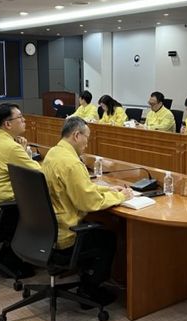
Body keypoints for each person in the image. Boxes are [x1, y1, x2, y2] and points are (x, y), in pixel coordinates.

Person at [42, 117, 133, 304]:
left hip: (47, 233)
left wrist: (108, 190)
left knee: (97, 229)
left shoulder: (53, 153)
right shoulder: (72, 163)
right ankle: (90, 289)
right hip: (66, 235)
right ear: (76, 135)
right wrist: (121, 197)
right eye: (86, 138)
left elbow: (82, 188)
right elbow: (88, 202)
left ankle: (86, 278)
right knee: (107, 238)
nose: (87, 143)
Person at [0, 103, 41, 277]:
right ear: (8, 124)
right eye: (20, 117)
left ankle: (10, 255)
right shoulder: (10, 147)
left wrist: (21, 150)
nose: (24, 120)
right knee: (44, 209)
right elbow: (38, 173)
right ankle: (16, 259)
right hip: (2, 209)